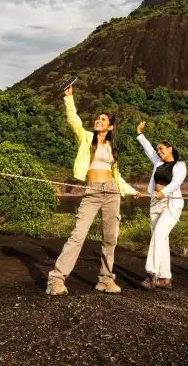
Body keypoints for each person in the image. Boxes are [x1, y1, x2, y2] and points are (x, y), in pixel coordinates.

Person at [46, 81, 141, 296]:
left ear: (110, 127)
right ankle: (57, 280)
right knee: (78, 236)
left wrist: (131, 190)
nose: (98, 121)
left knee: (110, 239)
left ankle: (106, 280)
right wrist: (68, 98)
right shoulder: (87, 138)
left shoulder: (112, 149)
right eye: (98, 119)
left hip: (112, 192)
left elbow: (117, 177)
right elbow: (74, 121)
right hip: (92, 191)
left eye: (103, 120)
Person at [135, 121, 186, 291]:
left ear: (170, 148)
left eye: (161, 149)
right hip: (155, 202)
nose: (158, 151)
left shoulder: (180, 166)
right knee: (161, 239)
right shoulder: (158, 162)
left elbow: (176, 182)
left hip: (171, 204)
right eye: (158, 150)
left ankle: (151, 275)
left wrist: (163, 193)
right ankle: (165, 277)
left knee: (159, 234)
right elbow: (148, 149)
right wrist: (139, 133)